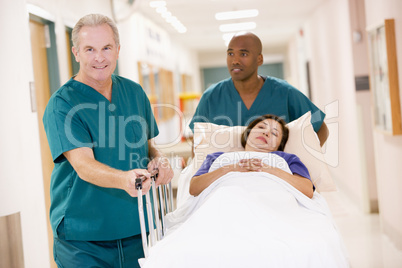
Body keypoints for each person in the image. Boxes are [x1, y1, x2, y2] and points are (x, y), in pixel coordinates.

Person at [42, 14, 173, 267]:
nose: (99, 57)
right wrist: (123, 179)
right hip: (85, 239)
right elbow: (83, 165)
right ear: (76, 53)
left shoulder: (134, 93)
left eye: (106, 48)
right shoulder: (63, 104)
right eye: (89, 49)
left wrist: (158, 160)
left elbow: (145, 146)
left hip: (138, 230)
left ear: (118, 50)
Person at [189, 32, 329, 146]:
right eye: (230, 53)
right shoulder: (211, 97)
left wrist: (304, 163)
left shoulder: (285, 93)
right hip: (227, 177)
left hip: (276, 175)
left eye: (243, 54)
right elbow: (197, 142)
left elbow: (320, 128)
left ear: (259, 59)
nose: (235, 60)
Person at [189, 114, 314, 199]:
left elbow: (307, 190)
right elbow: (194, 188)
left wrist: (268, 168)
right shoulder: (217, 157)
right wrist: (232, 168)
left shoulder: (288, 159)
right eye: (261, 127)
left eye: (274, 133)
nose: (266, 133)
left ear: (279, 145)